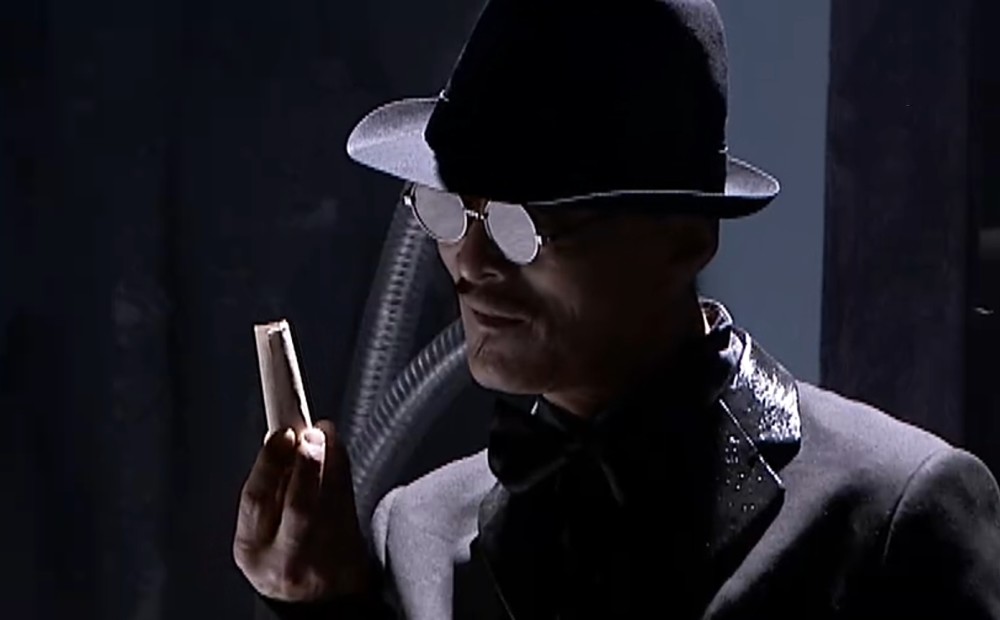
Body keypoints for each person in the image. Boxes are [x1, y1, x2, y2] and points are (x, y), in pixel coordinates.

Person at [232, 0, 1000, 618]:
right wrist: (320, 608)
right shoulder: (418, 535)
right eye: (448, 211)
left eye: (522, 223)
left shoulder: (890, 516)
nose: (471, 260)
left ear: (686, 239)